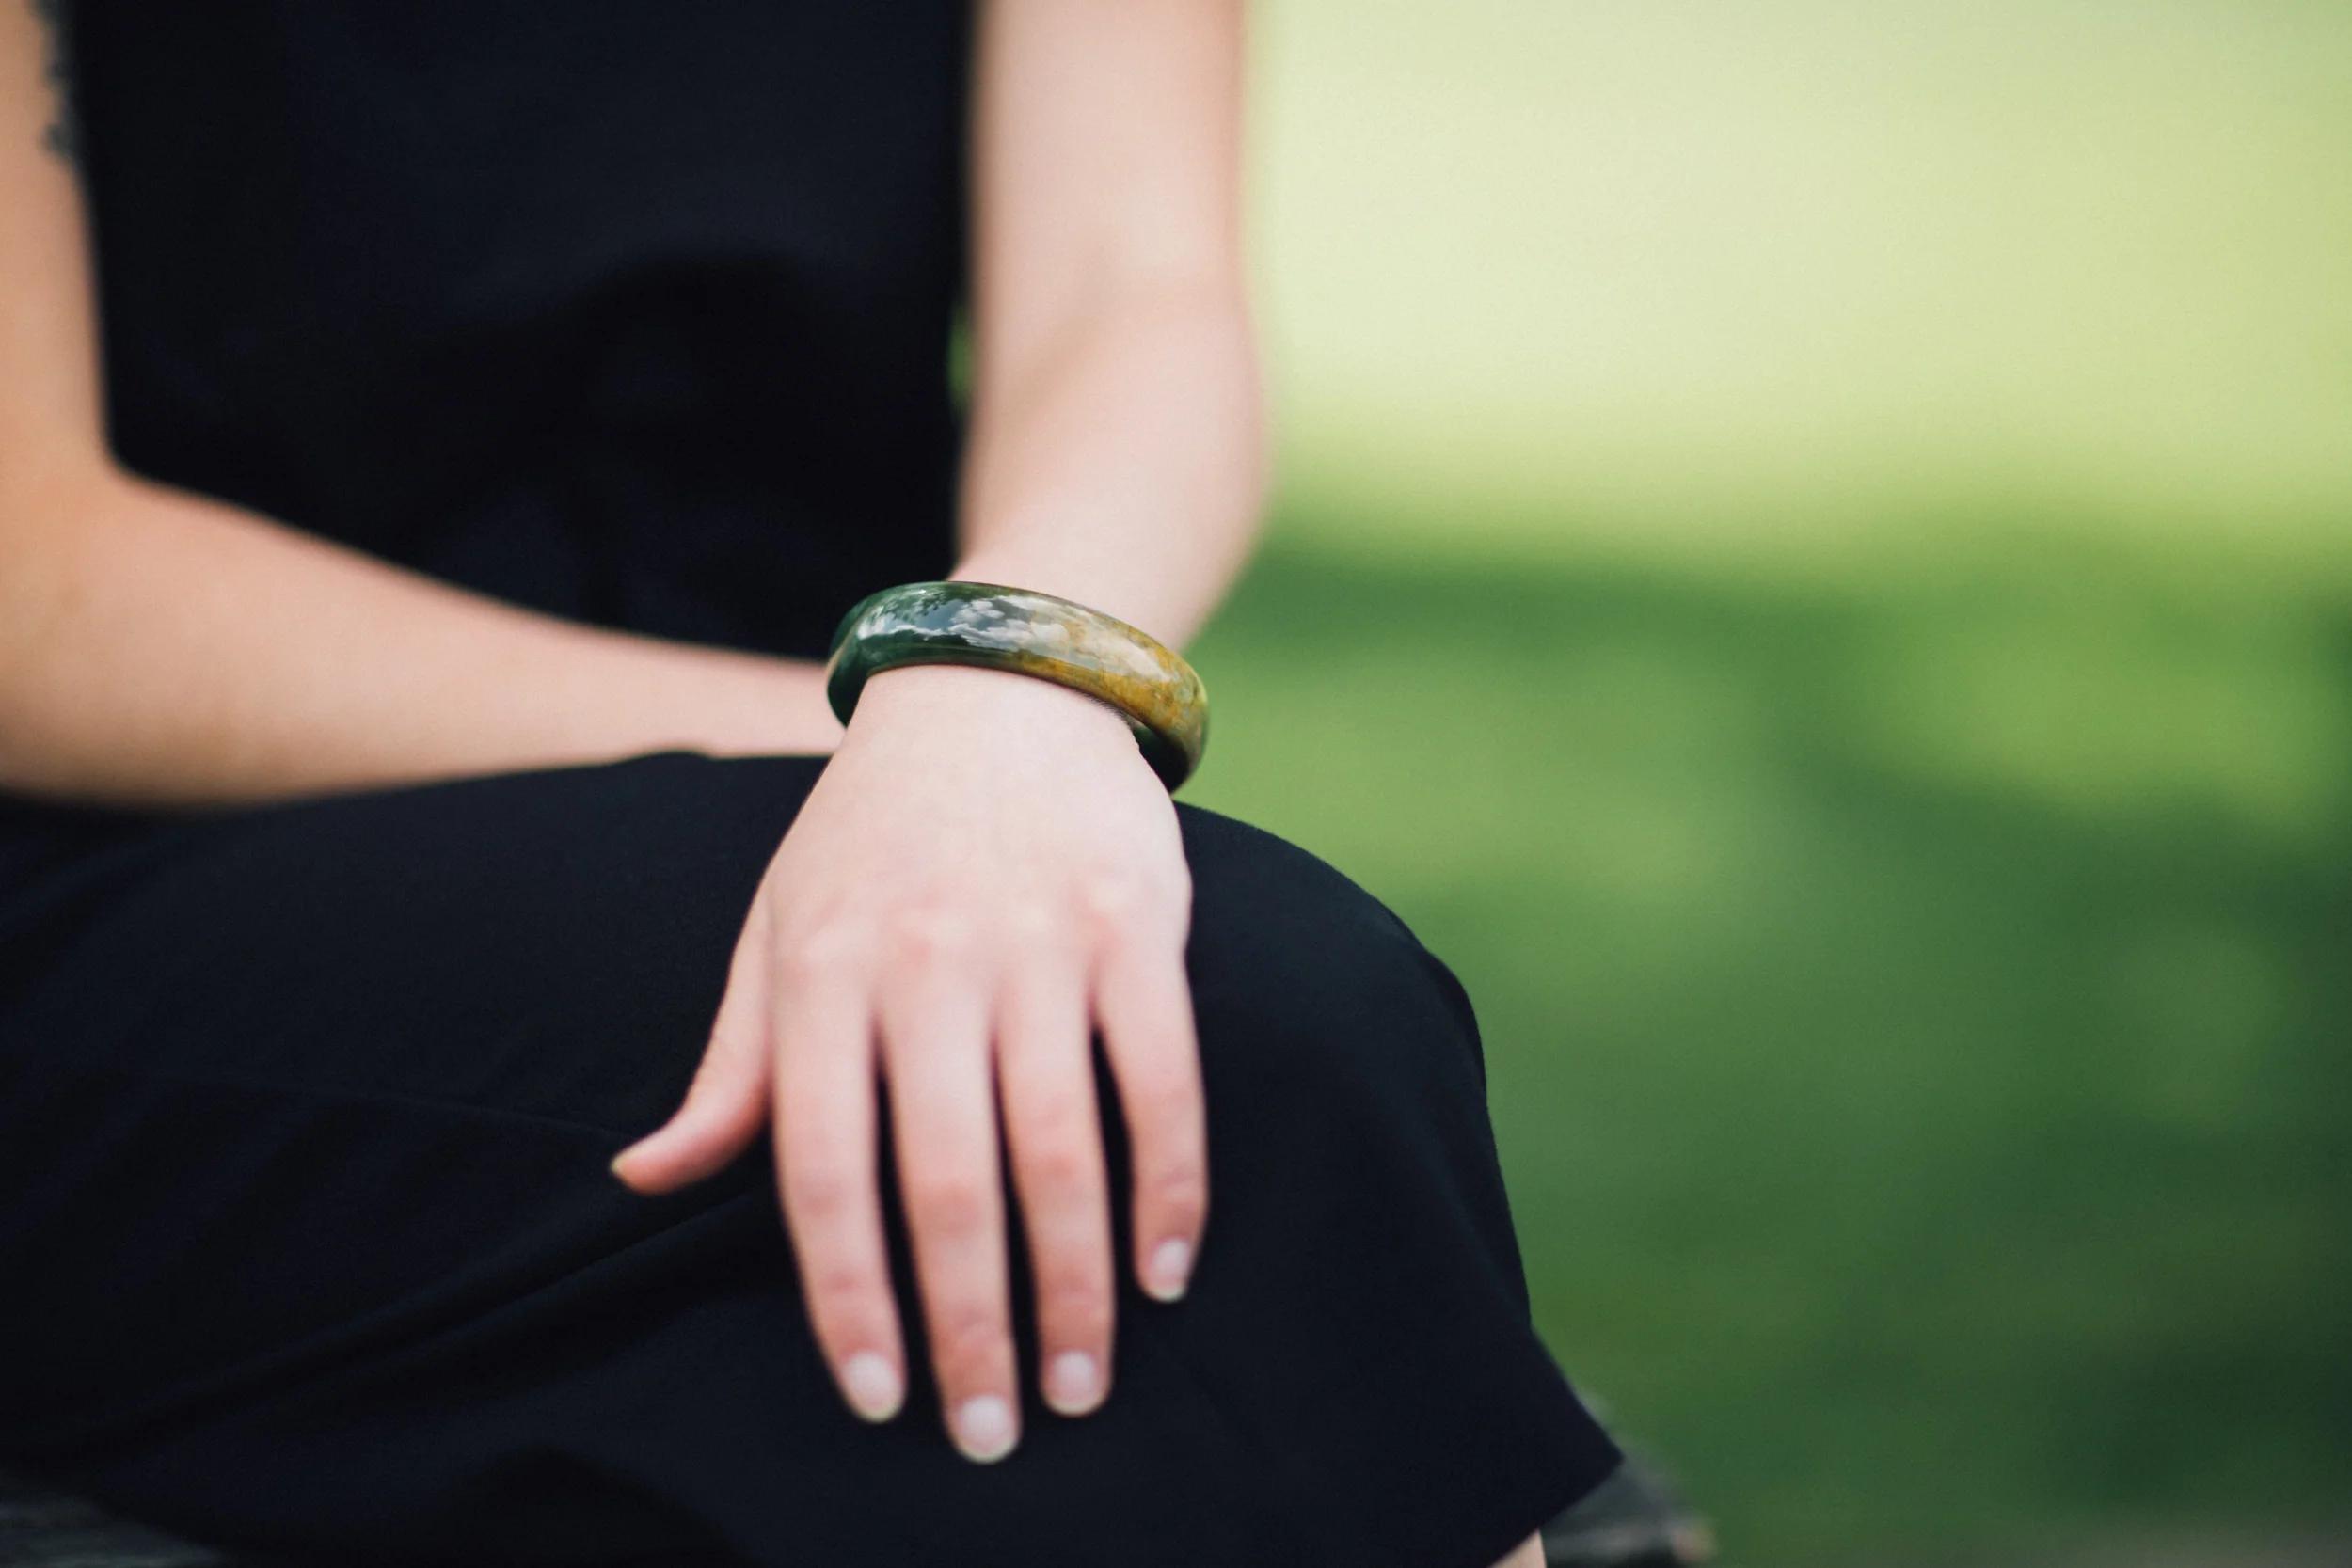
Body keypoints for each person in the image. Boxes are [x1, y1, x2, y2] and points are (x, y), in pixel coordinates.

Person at [0, 4, 1628, 1564]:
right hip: (132, 890)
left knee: (1166, 1092)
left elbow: (1128, 284)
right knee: (1243, 1043)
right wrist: (927, 729)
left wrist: (999, 697)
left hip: (801, 815)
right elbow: (35, 590)